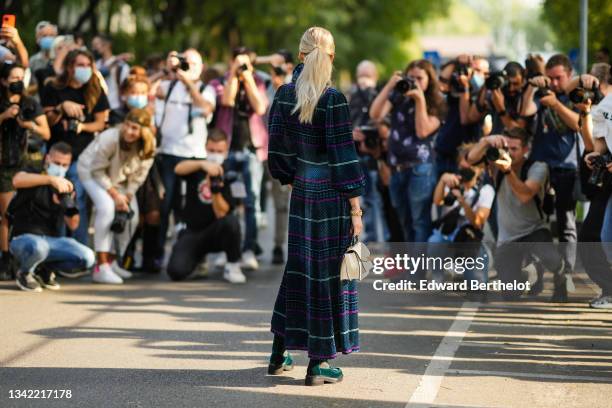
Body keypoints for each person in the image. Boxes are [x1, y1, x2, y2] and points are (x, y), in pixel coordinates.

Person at [267, 27, 365, 386]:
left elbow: (276, 152)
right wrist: (357, 210)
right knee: (329, 277)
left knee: (299, 270)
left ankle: (279, 353)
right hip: (331, 197)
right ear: (332, 57)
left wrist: (294, 179)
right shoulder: (333, 98)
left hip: (302, 192)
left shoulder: (283, 94)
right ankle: (319, 363)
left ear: (300, 55)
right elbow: (343, 158)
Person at [467, 129, 568, 301]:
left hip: (534, 229)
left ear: (526, 149)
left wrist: (508, 171)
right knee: (510, 293)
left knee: (551, 258)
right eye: (507, 148)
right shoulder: (496, 164)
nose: (510, 153)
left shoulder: (538, 167)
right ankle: (528, 276)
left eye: (515, 149)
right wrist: (486, 140)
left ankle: (561, 278)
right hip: (508, 236)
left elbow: (525, 195)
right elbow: (471, 159)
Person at [77, 109, 155, 284]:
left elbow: (138, 177)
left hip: (119, 180)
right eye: (127, 125)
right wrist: (114, 195)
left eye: (134, 128)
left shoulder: (148, 146)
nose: (128, 131)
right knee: (106, 208)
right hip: (91, 171)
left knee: (131, 216)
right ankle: (100, 266)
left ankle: (112, 261)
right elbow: (97, 170)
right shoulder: (110, 138)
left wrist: (126, 197)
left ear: (144, 131)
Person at [521, 54, 580, 286]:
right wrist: (532, 86)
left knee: (566, 222)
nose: (554, 83)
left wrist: (556, 103)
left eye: (559, 78)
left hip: (566, 166)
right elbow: (526, 112)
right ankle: (534, 272)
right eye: (550, 78)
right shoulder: (540, 93)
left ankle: (565, 275)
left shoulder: (574, 96)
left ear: (570, 75)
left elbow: (578, 123)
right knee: (535, 222)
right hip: (539, 165)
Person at [41, 49, 110, 245]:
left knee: (76, 202)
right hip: (56, 155)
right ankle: (56, 247)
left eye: (88, 65)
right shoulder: (53, 88)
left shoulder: (95, 89)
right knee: (55, 201)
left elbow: (100, 123)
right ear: (70, 67)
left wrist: (81, 126)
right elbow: (47, 120)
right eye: (80, 65)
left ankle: (79, 251)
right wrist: (61, 108)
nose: (85, 69)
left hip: (82, 156)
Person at [370, 59, 444, 242]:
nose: (415, 82)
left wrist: (419, 99)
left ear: (430, 80)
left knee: (420, 222)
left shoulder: (437, 103)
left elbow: (423, 130)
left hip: (421, 170)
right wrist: (390, 85)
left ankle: (418, 270)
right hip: (396, 169)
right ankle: (413, 268)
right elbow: (375, 115)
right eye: (411, 78)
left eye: (420, 78)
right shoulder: (398, 97)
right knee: (405, 222)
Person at [209, 47, 268, 270]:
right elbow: (227, 100)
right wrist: (234, 74)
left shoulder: (258, 81)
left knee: (251, 202)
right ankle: (229, 250)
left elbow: (260, 106)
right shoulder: (220, 81)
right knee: (227, 201)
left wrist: (248, 78)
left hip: (251, 149)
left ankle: (249, 250)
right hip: (227, 149)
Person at [154, 49, 216, 265]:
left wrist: (189, 82)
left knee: (195, 209)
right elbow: (146, 92)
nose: (188, 67)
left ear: (201, 68)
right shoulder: (168, 85)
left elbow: (206, 108)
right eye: (185, 62)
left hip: (194, 156)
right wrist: (166, 70)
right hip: (168, 153)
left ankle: (197, 257)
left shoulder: (207, 89)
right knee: (165, 206)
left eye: (193, 64)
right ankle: (157, 254)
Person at [9, 142, 95, 292]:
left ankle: (44, 271)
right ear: (47, 158)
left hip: (51, 241)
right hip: (23, 238)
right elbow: (17, 180)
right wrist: (50, 179)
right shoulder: (34, 171)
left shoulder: (66, 185)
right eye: (56, 163)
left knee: (87, 257)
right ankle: (25, 273)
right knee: (39, 247)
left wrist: (67, 205)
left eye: (64, 165)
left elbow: (73, 225)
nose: (60, 168)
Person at [167, 129, 244, 283]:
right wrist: (202, 164)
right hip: (193, 231)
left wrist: (215, 190)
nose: (215, 154)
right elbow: (178, 169)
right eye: (211, 150)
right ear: (205, 148)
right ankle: (199, 261)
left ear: (226, 150)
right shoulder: (197, 166)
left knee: (232, 222)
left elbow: (222, 213)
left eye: (219, 151)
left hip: (217, 232)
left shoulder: (233, 174)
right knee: (176, 271)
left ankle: (233, 264)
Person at [0, 62, 50, 280]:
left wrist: (28, 125)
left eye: (21, 77)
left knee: (19, 212)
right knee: (6, 214)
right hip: (3, 163)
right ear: (3, 81)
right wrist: (4, 116)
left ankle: (21, 256)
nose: (18, 82)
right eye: (13, 78)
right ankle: (5, 257)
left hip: (22, 162)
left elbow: (46, 133)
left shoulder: (30, 103)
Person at [428, 144, 494, 293]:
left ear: (480, 168)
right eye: (463, 162)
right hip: (448, 235)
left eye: (471, 163)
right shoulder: (452, 182)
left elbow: (478, 222)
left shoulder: (485, 190)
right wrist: (442, 180)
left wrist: (463, 201)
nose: (466, 166)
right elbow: (437, 201)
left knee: (476, 288)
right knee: (434, 242)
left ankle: (471, 270)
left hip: (468, 238)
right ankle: (439, 274)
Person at [349, 60, 387, 242]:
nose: (364, 80)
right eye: (361, 76)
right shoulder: (351, 97)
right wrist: (353, 133)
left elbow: (380, 119)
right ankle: (369, 236)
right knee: (360, 199)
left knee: (375, 198)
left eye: (368, 76)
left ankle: (380, 236)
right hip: (355, 153)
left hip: (373, 154)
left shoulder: (379, 96)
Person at [91, 34, 131, 110]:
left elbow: (126, 87)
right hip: (98, 107)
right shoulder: (95, 65)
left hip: (116, 107)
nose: (94, 48)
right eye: (93, 45)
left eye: (96, 44)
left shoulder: (121, 66)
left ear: (107, 45)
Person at [27, 21, 57, 97]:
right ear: (37, 39)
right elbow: (27, 87)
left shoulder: (63, 59)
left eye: (51, 35)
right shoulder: (32, 61)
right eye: (44, 36)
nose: (48, 38)